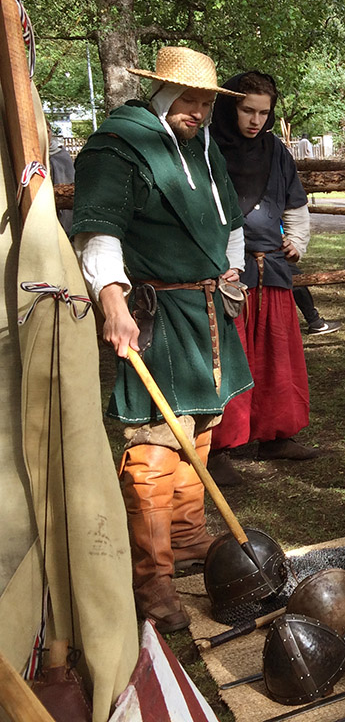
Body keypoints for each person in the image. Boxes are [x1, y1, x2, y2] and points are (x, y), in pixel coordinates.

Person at [69, 46, 253, 631]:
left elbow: (228, 219)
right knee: (153, 446)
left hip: (206, 307)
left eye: (206, 102)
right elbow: (99, 231)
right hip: (156, 311)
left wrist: (230, 270)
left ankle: (187, 533)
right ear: (163, 94)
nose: (199, 112)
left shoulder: (201, 144)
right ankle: (152, 578)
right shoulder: (119, 145)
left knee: (200, 425)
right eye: (189, 100)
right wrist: (113, 303)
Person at [206, 71, 320, 487]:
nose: (256, 120)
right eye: (247, 110)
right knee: (229, 360)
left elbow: (295, 202)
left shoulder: (276, 151)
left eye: (263, 113)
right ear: (229, 107)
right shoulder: (206, 148)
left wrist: (297, 241)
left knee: (276, 358)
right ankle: (218, 447)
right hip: (226, 273)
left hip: (271, 269)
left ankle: (277, 435)